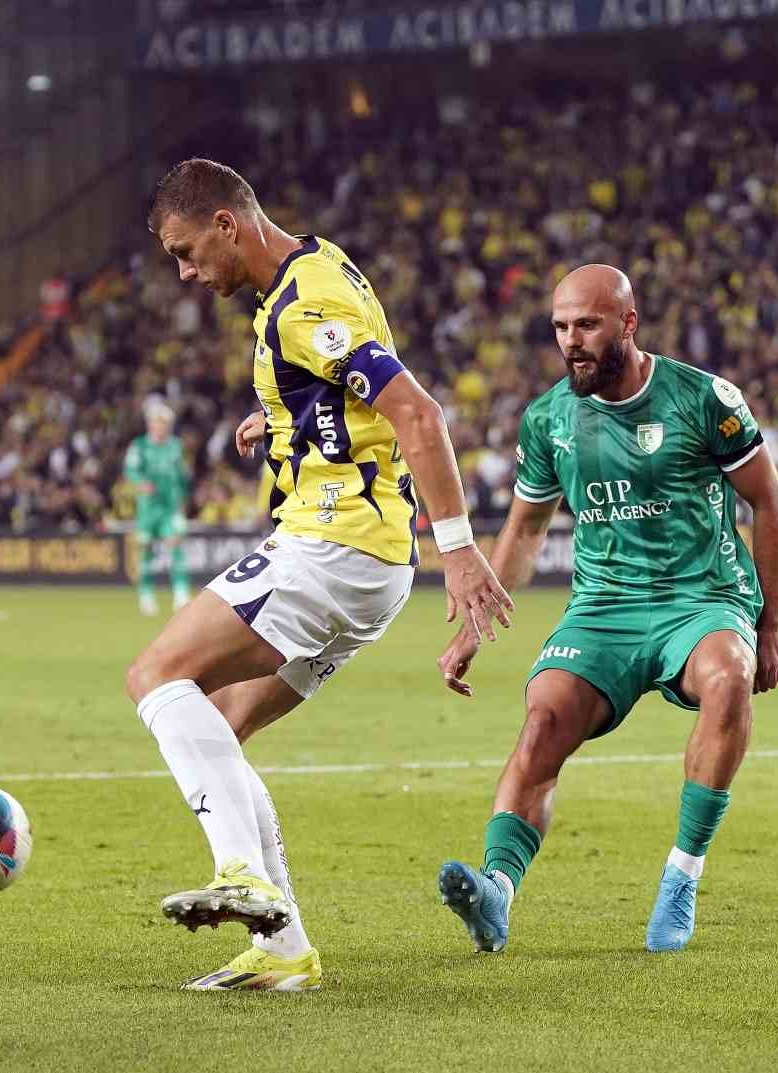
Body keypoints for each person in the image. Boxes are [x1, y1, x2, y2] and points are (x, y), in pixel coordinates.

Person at [127, 158, 513, 992]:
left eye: (188, 252)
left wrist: (460, 545)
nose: (188, 274)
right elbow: (353, 393)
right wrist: (284, 418)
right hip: (370, 567)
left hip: (333, 547)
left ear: (227, 223)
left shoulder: (303, 305)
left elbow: (417, 410)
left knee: (156, 674)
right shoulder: (317, 266)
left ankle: (242, 874)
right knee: (220, 729)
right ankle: (283, 950)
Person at [435, 265, 778, 955]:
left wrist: (769, 624)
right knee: (541, 720)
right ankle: (497, 892)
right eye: (562, 327)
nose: (573, 340)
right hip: (604, 607)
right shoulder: (549, 419)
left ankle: (682, 877)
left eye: (588, 325)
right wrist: (477, 622)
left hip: (703, 597)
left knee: (728, 675)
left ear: (628, 323)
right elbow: (526, 529)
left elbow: (768, 502)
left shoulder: (704, 399)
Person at [125, 402, 193, 615]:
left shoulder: (175, 446)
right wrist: (140, 484)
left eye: (162, 423)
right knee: (145, 551)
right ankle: (146, 596)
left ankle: (181, 595)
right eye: (155, 422)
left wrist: (183, 504)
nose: (158, 426)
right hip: (148, 509)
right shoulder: (139, 446)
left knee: (175, 548)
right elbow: (131, 470)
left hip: (170, 508)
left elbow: (183, 478)